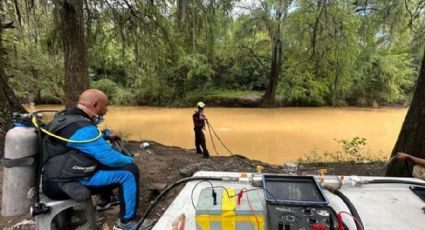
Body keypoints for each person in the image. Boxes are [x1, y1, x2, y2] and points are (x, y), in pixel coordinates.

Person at [41, 89, 145, 230]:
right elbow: (112, 160)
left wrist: (105, 136)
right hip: (65, 184)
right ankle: (127, 223)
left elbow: (79, 140)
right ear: (95, 105)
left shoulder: (67, 117)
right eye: (106, 106)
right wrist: (129, 159)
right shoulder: (84, 129)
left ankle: (105, 201)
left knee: (99, 160)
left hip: (54, 176)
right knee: (130, 172)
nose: (107, 110)